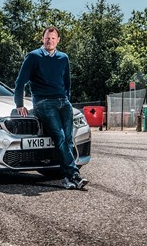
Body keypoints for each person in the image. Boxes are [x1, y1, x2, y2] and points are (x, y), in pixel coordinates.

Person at [14, 26, 89, 190]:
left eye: (53, 38)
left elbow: (67, 83)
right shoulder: (33, 57)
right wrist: (19, 104)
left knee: (68, 139)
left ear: (58, 40)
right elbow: (20, 82)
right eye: (47, 38)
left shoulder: (63, 58)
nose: (50, 41)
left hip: (63, 102)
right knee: (60, 136)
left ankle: (67, 178)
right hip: (43, 102)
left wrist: (67, 100)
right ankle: (74, 175)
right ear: (43, 39)